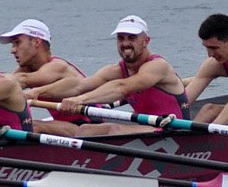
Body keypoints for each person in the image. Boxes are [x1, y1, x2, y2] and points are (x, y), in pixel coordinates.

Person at [51, 15, 189, 135]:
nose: (125, 43)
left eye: (132, 38)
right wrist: (39, 93)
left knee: (114, 130)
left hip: (175, 131)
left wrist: (79, 100)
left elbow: (122, 87)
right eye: (121, 38)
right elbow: (80, 86)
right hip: (149, 129)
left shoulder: (158, 66)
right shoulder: (116, 70)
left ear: (146, 41)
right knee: (85, 130)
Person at [0, 19, 91, 134]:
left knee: (33, 126)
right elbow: (6, 84)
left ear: (36, 42)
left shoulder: (57, 66)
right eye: (13, 45)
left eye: (18, 43)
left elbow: (22, 80)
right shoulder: (27, 68)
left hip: (91, 125)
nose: (13, 50)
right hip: (67, 125)